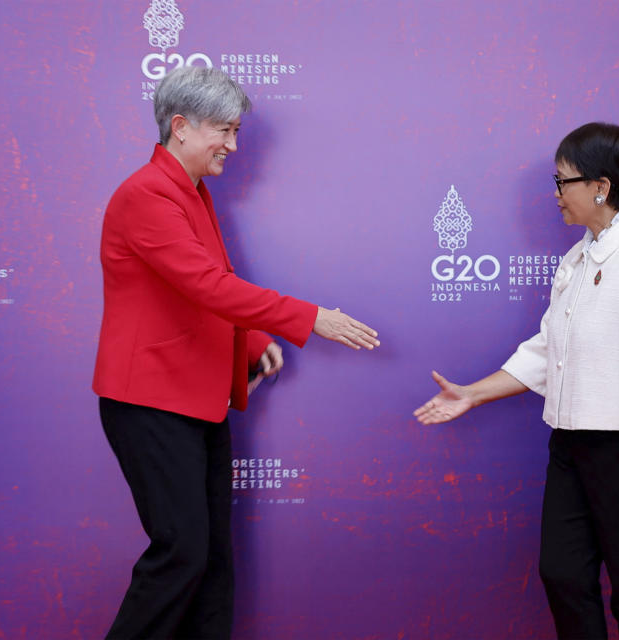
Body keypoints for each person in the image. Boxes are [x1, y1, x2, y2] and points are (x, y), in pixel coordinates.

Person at [92, 66, 379, 639]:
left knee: (211, 562)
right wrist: (309, 317)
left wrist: (250, 340)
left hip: (196, 399)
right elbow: (207, 286)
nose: (233, 144)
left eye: (236, 130)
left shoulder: (191, 192)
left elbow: (203, 283)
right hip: (151, 401)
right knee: (181, 555)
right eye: (224, 130)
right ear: (180, 127)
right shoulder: (145, 196)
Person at [414, 122, 619, 640]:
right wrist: (471, 394)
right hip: (569, 447)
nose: (556, 194)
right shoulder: (580, 257)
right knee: (562, 574)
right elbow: (546, 352)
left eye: (564, 182)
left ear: (601, 187)